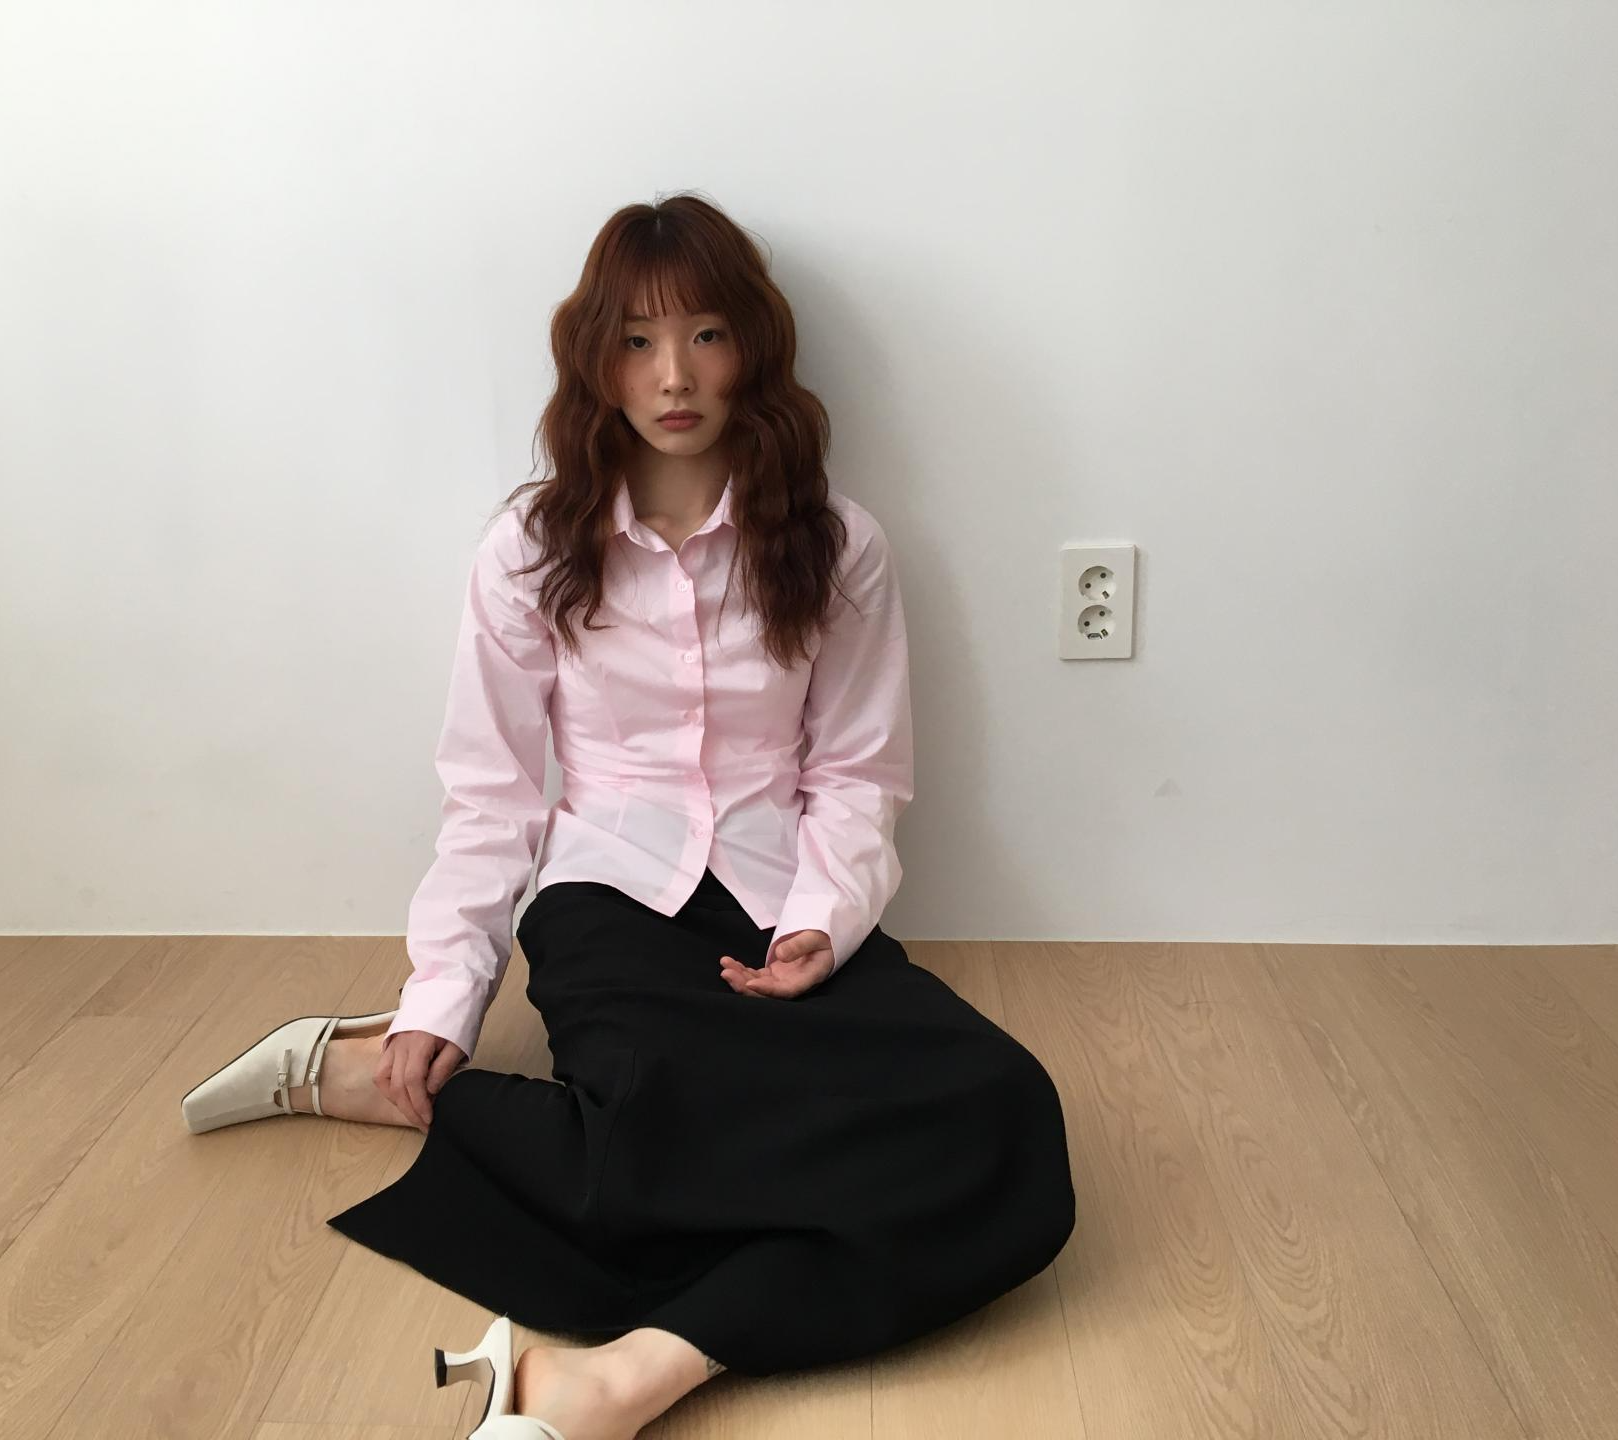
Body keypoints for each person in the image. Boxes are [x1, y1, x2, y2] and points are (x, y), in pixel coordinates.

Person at [181, 192, 1076, 1440]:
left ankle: (606, 1375)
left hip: (780, 896)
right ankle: (391, 1088)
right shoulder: (529, 549)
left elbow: (857, 774)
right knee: (667, 1147)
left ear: (753, 346)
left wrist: (822, 924)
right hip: (608, 892)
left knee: (1006, 1122)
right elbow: (492, 794)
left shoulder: (837, 545)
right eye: (639, 341)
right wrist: (444, 999)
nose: (674, 377)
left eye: (706, 335)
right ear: (595, 358)